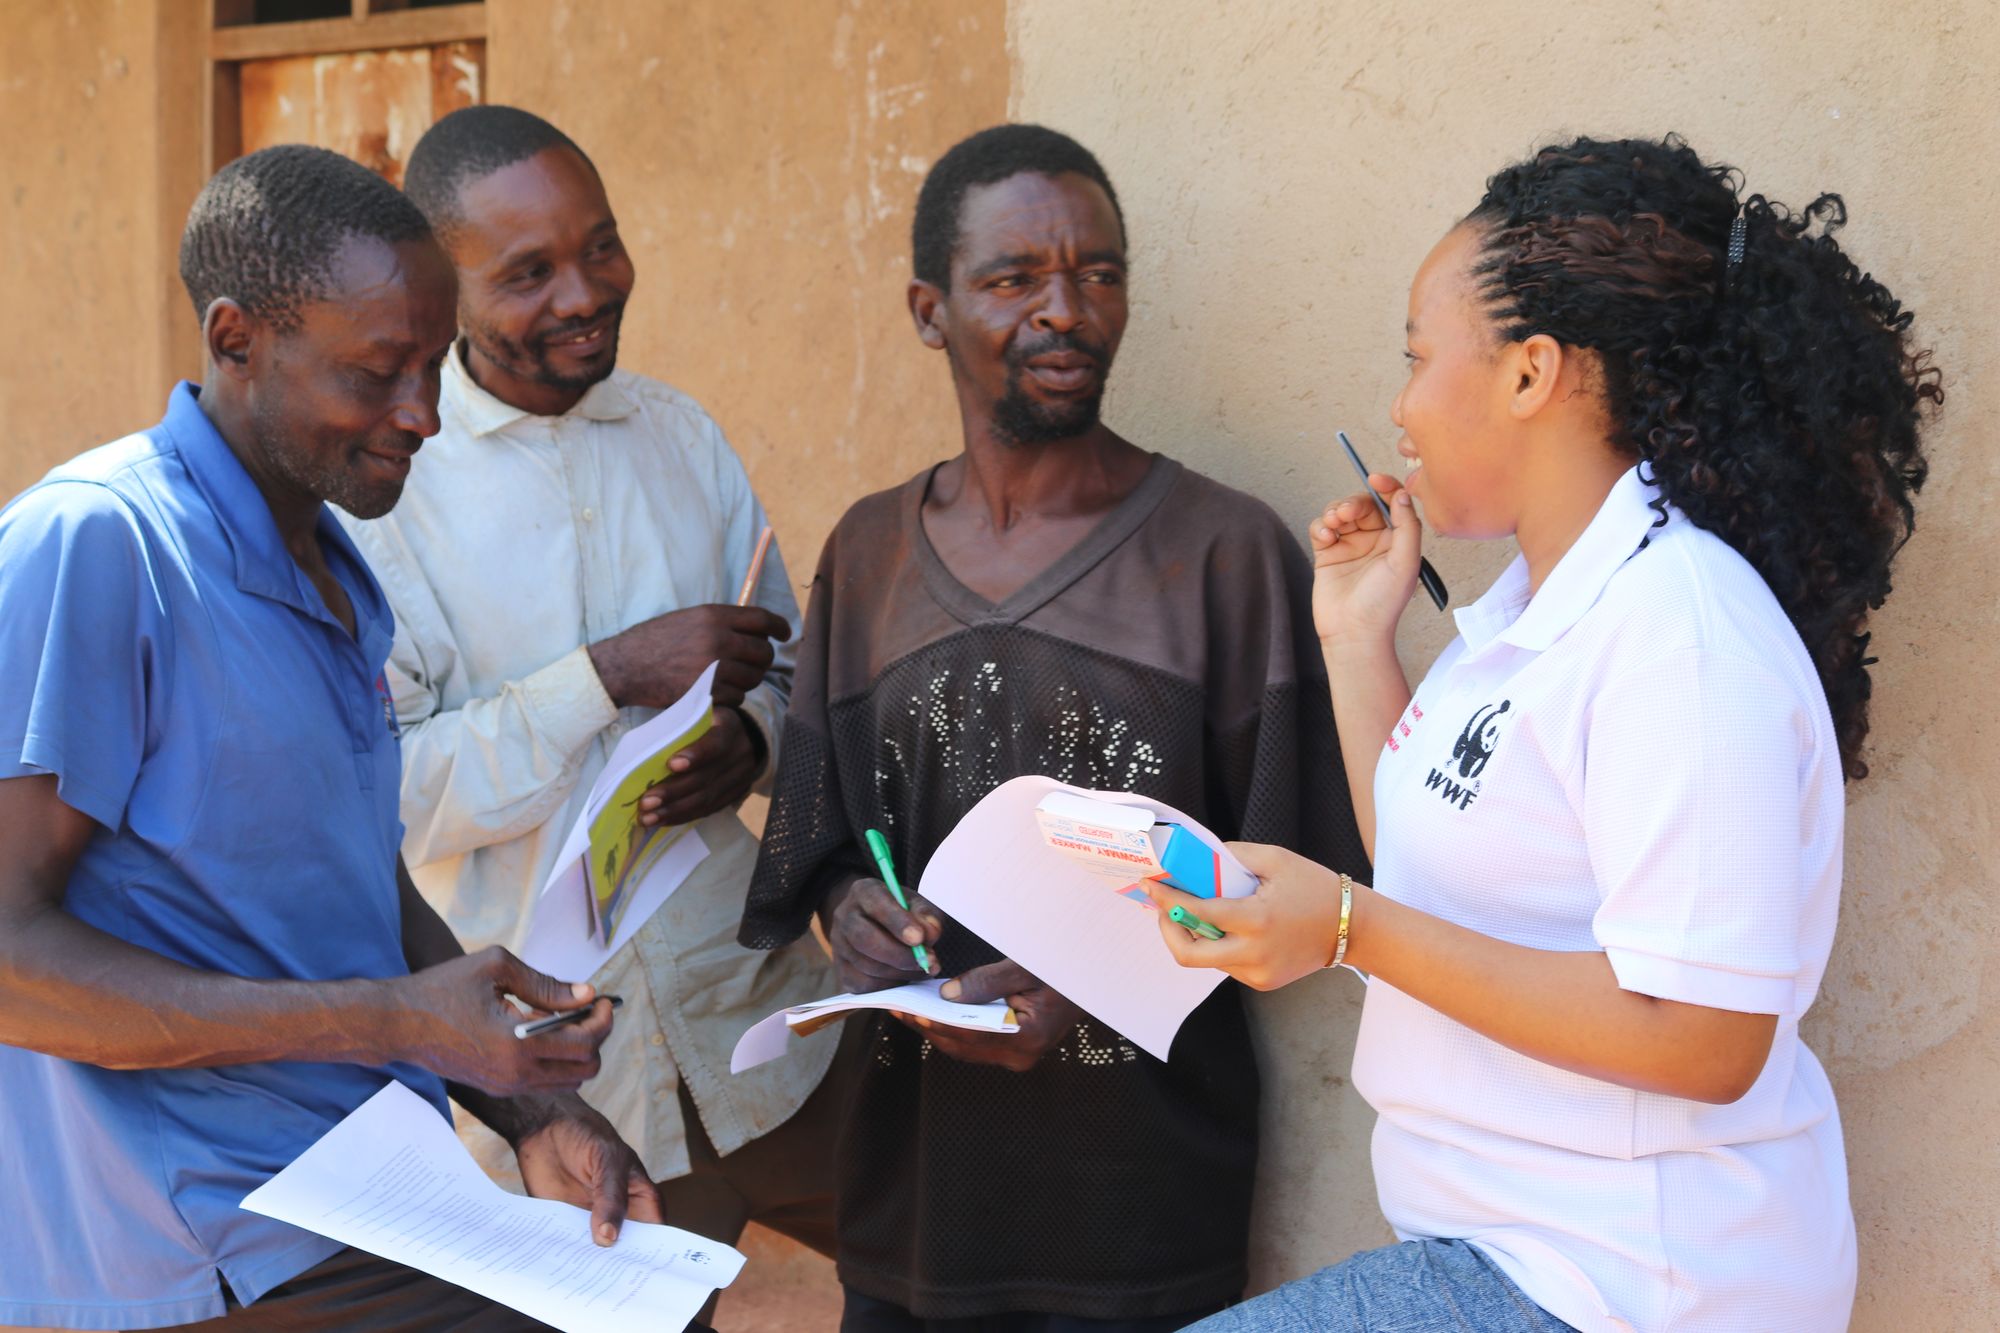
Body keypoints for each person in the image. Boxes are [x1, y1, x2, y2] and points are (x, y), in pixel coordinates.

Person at [1150, 135, 1941, 1332]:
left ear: (1530, 372)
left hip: (1633, 1286)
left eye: (1416, 358)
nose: (1399, 407)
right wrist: (1355, 643)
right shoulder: (1541, 611)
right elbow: (1434, 870)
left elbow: (1706, 1037)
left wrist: (1348, 926)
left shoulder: (1679, 635)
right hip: (1510, 1252)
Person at [0, 144, 664, 1332]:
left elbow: (350, 878)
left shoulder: (334, 566)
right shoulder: (99, 544)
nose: (423, 414)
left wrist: (526, 1100)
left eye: (431, 366)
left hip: (365, 1182)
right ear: (236, 338)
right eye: (375, 372)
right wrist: (395, 1020)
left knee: (655, 1296)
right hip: (194, 1232)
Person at [740, 123, 1367, 1333]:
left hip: (1137, 1213)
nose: (1064, 311)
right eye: (1013, 277)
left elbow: (1296, 893)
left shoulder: (1224, 554)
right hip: (910, 1203)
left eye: (1098, 273)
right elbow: (821, 843)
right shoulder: (866, 556)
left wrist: (1094, 978)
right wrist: (847, 912)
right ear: (928, 311)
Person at [342, 104, 842, 1260]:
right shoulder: (384, 495)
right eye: (528, 273)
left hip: (755, 1014)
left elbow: (791, 673)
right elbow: (387, 794)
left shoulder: (681, 437)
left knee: (923, 1277)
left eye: (600, 245)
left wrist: (752, 745)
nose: (584, 292)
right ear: (443, 293)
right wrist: (607, 675)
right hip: (564, 1076)